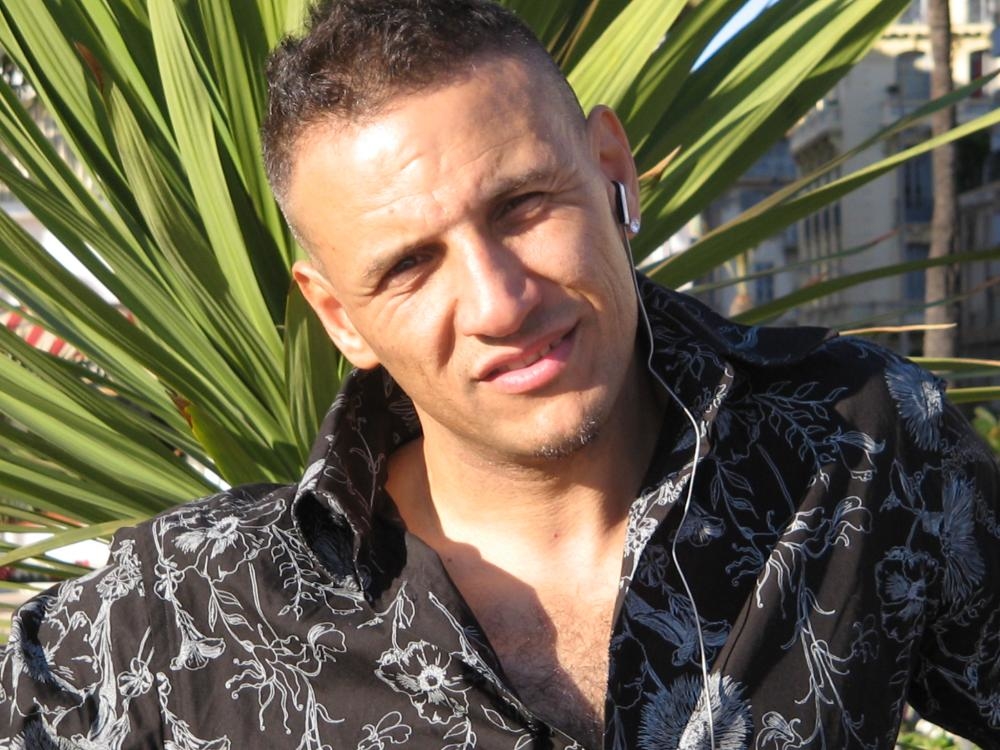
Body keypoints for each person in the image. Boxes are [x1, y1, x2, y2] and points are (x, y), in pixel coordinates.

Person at [3, 0, 999, 747]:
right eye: (409, 264)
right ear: (339, 315)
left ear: (612, 167)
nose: (499, 302)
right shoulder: (177, 613)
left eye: (522, 206)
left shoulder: (859, 447)